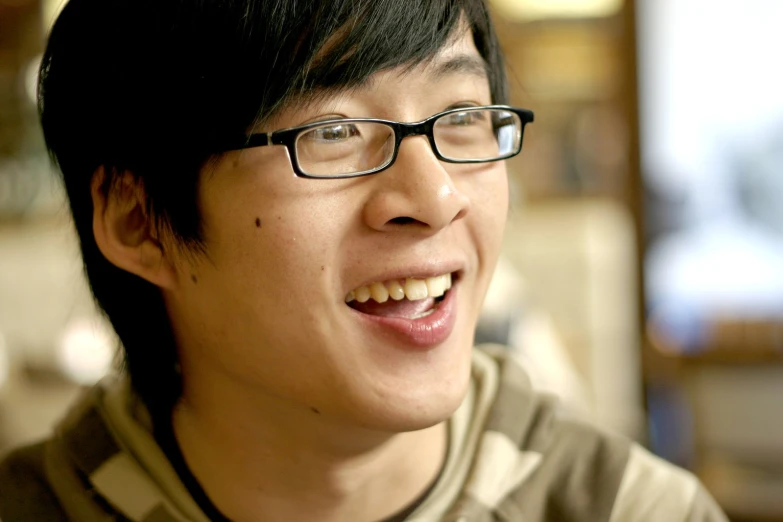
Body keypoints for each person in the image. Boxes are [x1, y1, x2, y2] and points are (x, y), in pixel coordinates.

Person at [0, 0, 727, 520]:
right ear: (139, 220)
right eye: (334, 130)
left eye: (464, 116)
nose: (434, 193)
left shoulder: (627, 508)